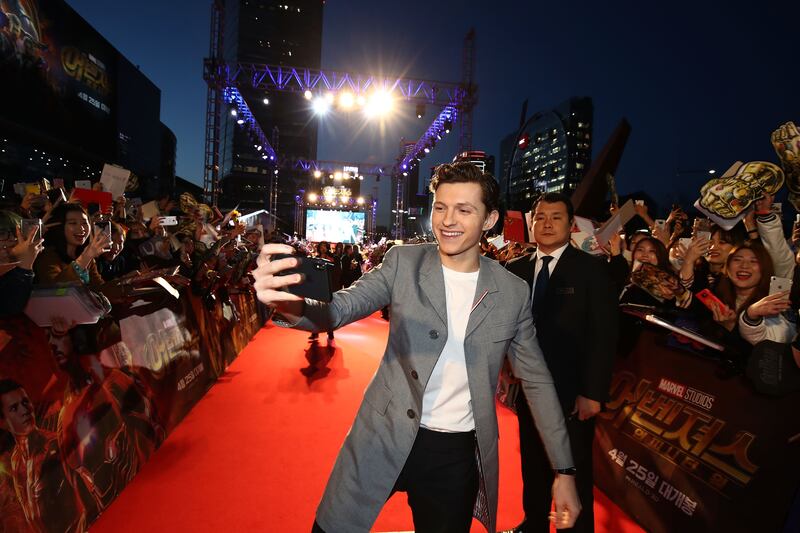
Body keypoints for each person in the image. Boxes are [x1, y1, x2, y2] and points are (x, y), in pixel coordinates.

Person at [253, 162, 580, 533]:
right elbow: (337, 310)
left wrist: (564, 470)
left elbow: (537, 382)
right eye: (440, 207)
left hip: (455, 456)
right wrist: (288, 302)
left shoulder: (512, 293)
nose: (447, 220)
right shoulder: (402, 262)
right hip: (382, 434)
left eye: (464, 209)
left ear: (490, 219)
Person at [504, 192, 618, 533]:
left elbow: (604, 335)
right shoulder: (514, 269)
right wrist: (505, 369)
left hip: (572, 392)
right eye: (540, 217)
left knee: (574, 468)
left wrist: (592, 392)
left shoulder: (591, 270)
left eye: (556, 217)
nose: (547, 223)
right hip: (527, 388)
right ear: (531, 223)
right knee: (533, 462)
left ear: (571, 226)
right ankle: (534, 523)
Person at [0, 379, 87, 533]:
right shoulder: (15, 459)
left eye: (25, 402)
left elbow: (87, 499)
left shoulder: (55, 445)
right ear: (3, 423)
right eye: (14, 408)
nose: (24, 410)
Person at [33, 202, 110, 289]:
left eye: (84, 223)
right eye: (73, 223)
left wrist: (124, 282)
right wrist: (85, 258)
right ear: (59, 227)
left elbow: (100, 288)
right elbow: (55, 289)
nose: (81, 229)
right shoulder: (47, 255)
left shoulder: (85, 255)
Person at [0, 210, 44, 317]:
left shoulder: (33, 264)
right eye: (2, 233)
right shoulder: (24, 267)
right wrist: (24, 267)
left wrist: (56, 333)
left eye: (16, 233)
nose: (13, 238)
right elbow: (10, 308)